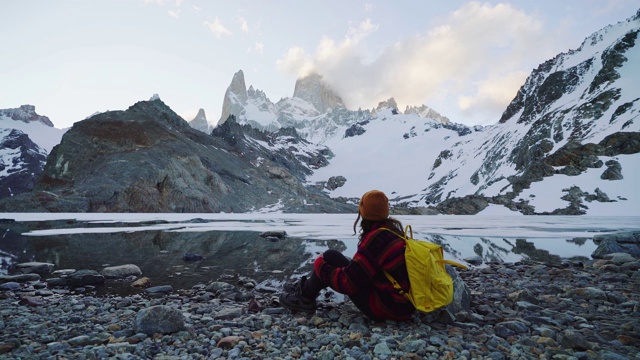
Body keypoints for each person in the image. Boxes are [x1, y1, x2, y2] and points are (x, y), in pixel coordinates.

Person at [279, 190, 415, 322]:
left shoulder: (377, 239)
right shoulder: (394, 232)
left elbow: (348, 283)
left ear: (363, 211)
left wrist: (320, 263)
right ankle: (305, 291)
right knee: (340, 259)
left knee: (329, 257)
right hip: (405, 305)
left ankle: (304, 297)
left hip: (387, 308)